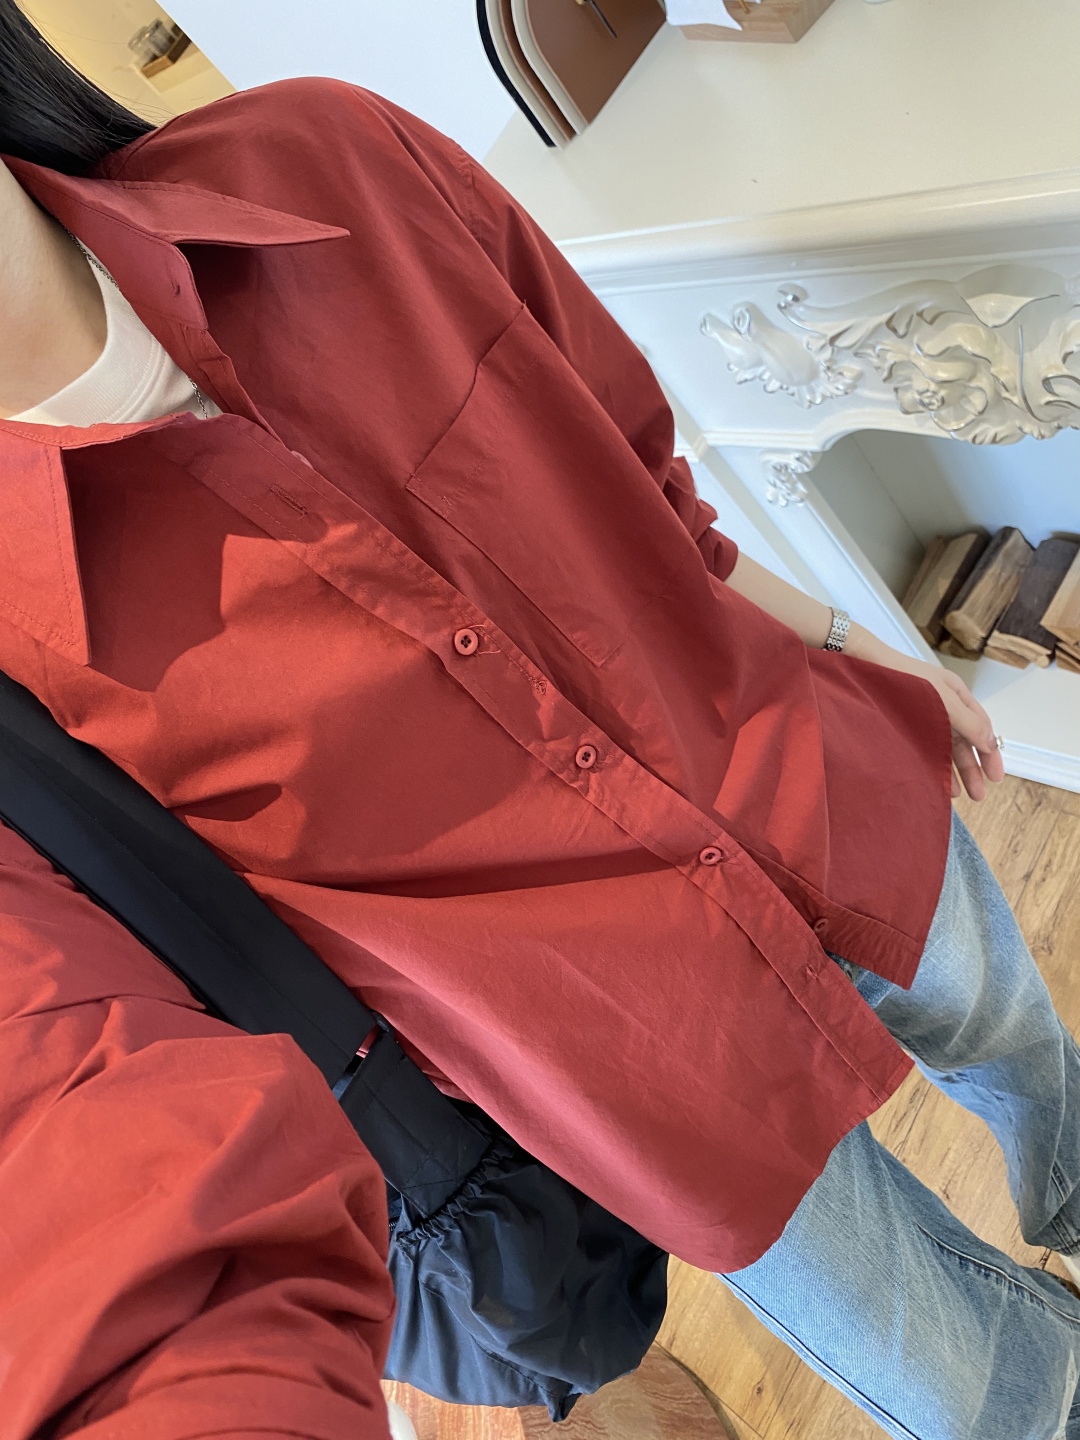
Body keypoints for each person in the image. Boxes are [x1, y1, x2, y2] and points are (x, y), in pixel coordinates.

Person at [0, 5, 1078, 1438]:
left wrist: (857, 642)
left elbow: (650, 492)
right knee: (985, 1399)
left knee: (1028, 1056)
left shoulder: (330, 163)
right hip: (626, 1063)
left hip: (815, 786)